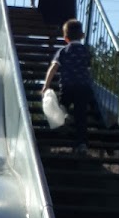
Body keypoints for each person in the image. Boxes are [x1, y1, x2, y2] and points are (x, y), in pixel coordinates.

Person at [40, 18, 99, 155]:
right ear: (82, 35)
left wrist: (46, 85)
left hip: (67, 85)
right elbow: (89, 69)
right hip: (83, 87)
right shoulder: (86, 51)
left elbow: (53, 68)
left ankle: (65, 115)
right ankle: (81, 144)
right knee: (81, 116)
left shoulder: (62, 51)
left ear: (65, 38)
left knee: (62, 104)